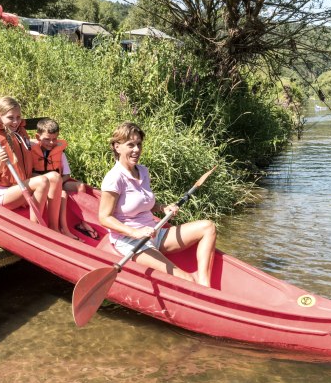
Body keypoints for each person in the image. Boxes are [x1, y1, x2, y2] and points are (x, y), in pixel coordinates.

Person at [99, 121, 217, 287]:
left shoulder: (143, 171)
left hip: (155, 232)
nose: (136, 150)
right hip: (132, 241)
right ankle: (196, 290)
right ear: (117, 147)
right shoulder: (114, 179)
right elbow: (104, 218)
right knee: (188, 280)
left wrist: (163, 207)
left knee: (208, 227)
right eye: (130, 145)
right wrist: (134, 232)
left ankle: (205, 285)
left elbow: (145, 202)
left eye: (139, 144)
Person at [0, 96, 63, 231]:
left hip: (18, 185)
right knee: (42, 181)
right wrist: (1, 162)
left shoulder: (20, 136)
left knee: (54, 177)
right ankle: (35, 230)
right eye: (10, 118)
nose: (16, 122)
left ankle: (54, 228)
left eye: (18, 117)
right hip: (0, 193)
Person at [31, 117, 99, 240]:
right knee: (62, 194)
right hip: (41, 185)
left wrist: (57, 184)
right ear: (37, 137)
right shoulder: (31, 151)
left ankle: (82, 221)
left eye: (54, 139)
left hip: (57, 182)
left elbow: (67, 174)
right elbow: (28, 174)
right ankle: (63, 229)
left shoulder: (60, 153)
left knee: (80, 186)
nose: (51, 143)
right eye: (47, 139)